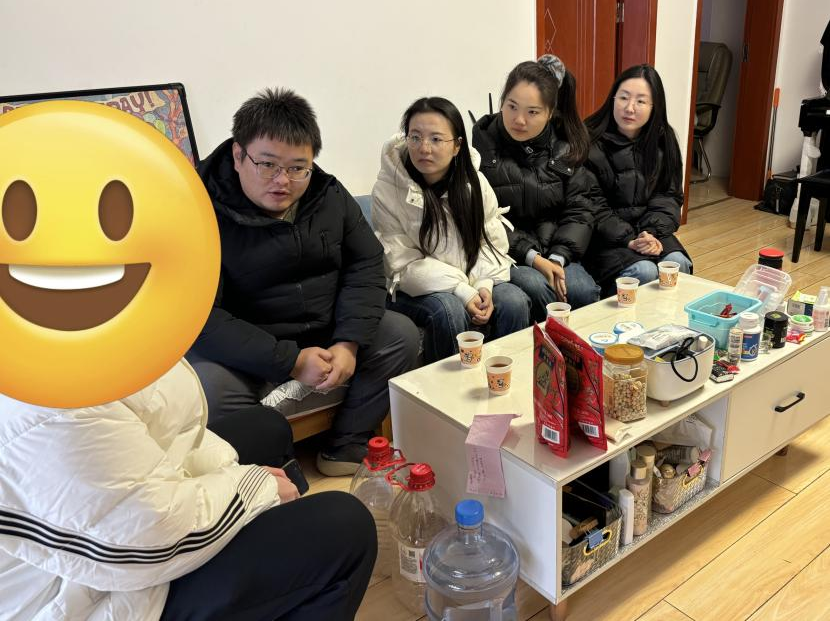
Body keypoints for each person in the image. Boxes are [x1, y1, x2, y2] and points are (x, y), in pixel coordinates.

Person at [0, 359, 377, 620]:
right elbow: (143, 540)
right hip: (87, 595)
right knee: (344, 526)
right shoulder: (41, 401)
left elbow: (167, 433)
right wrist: (251, 487)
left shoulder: (79, 338)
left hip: (118, 535)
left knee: (267, 428)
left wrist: (232, 476)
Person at [188, 88, 419, 476]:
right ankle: (272, 471)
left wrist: (347, 342)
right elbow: (202, 317)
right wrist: (290, 360)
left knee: (401, 335)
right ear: (238, 155)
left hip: (325, 325)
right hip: (252, 343)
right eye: (267, 165)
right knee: (208, 386)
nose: (283, 181)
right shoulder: (197, 210)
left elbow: (365, 262)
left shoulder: (328, 194)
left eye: (298, 168)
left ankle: (346, 443)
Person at [372, 97, 531, 363]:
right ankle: (448, 388)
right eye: (415, 137)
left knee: (513, 301)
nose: (424, 148)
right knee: (449, 310)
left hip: (471, 277)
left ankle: (504, 378)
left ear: (457, 146)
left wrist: (483, 285)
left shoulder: (474, 183)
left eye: (436, 139)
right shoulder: (388, 190)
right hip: (412, 287)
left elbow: (491, 242)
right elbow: (401, 264)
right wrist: (463, 290)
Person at [473, 54, 602, 319]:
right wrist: (533, 257)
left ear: (550, 113)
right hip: (507, 252)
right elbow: (482, 218)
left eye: (532, 112)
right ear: (502, 102)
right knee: (538, 288)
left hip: (556, 248)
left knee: (582, 290)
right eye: (511, 106)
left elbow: (580, 211)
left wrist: (557, 257)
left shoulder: (566, 146)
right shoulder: (482, 146)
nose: (519, 120)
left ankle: (579, 347)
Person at [583, 64, 693, 291]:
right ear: (613, 99)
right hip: (605, 239)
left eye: (641, 101)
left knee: (678, 264)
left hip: (650, 233)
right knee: (643, 271)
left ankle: (666, 316)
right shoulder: (589, 141)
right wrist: (629, 239)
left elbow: (669, 196)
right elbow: (592, 206)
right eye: (623, 98)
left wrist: (650, 234)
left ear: (655, 106)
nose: (630, 108)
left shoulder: (664, 139)